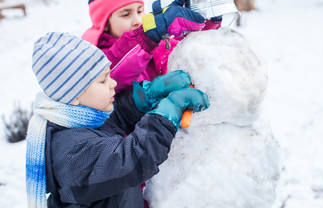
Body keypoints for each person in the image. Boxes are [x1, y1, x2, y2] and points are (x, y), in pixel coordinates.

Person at [26, 32, 210, 207]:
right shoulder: (72, 154)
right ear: (73, 96)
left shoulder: (81, 119)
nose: (113, 83)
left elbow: (116, 117)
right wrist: (168, 112)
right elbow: (133, 159)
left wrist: (148, 96)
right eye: (103, 80)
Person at [82, 0, 239, 92]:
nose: (137, 21)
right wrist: (146, 36)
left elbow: (183, 55)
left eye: (139, 11)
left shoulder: (152, 46)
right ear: (104, 23)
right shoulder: (95, 58)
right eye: (125, 14)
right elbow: (114, 74)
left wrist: (208, 18)